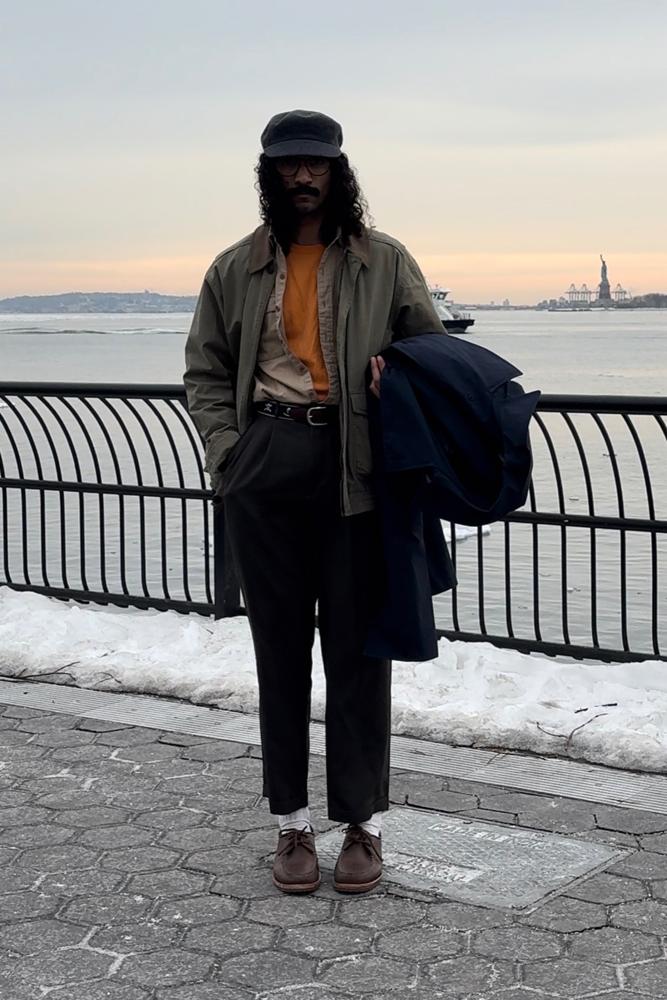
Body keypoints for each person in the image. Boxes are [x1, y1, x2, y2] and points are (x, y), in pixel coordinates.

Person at [184, 109, 442, 894]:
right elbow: (204, 371)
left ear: (338, 171)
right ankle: (290, 825)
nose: (303, 176)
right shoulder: (234, 267)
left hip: (353, 467)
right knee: (280, 652)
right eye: (289, 165)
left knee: (359, 655)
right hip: (267, 462)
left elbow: (429, 351)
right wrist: (229, 455)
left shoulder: (382, 259)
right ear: (268, 173)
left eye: (316, 164)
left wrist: (397, 377)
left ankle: (363, 825)